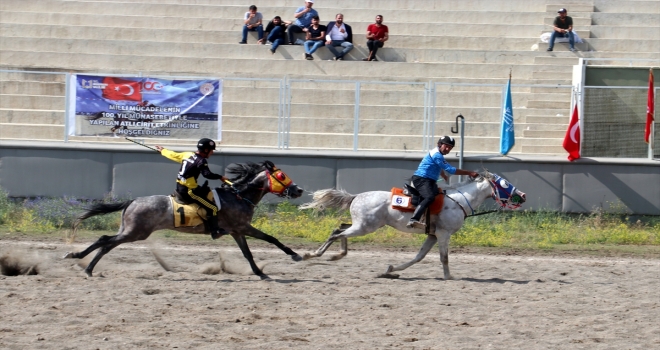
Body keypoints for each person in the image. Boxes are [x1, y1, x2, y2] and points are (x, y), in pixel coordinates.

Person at [155, 138, 229, 239]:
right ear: (206, 150)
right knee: (213, 208)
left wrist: (163, 150)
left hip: (180, 186)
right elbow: (207, 174)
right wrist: (221, 177)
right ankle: (215, 232)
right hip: (189, 191)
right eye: (211, 150)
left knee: (205, 190)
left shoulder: (187, 154)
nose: (212, 153)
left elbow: (173, 155)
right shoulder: (201, 161)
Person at [406, 136, 479, 228]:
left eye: (450, 147)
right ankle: (414, 219)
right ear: (440, 144)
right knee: (430, 197)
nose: (448, 149)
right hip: (422, 179)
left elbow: (437, 165)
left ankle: (432, 221)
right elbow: (451, 170)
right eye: (446, 146)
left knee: (439, 196)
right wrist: (470, 173)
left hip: (428, 181)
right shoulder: (437, 155)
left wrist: (443, 174)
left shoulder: (437, 153)